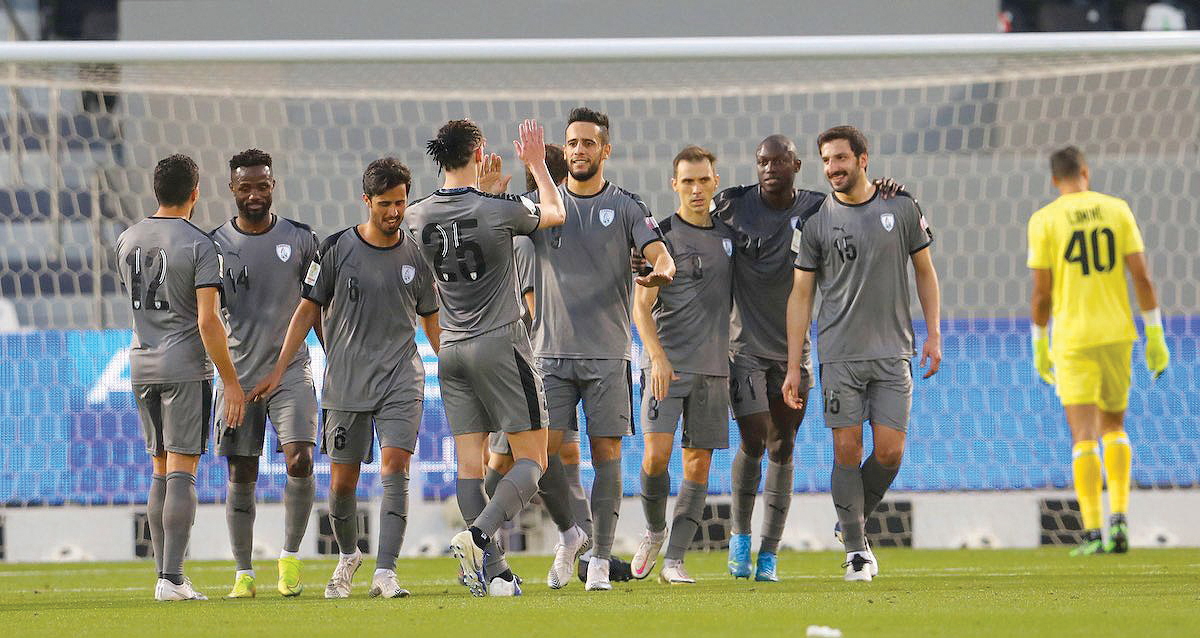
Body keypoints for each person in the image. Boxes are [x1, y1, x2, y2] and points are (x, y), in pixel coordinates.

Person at [251, 158, 441, 600]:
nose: (394, 212)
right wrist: (280, 369)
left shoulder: (415, 255)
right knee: (341, 485)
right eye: (385, 204)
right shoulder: (335, 249)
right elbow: (306, 310)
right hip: (347, 383)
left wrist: (452, 361)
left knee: (396, 468)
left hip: (401, 379)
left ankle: (386, 572)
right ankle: (349, 555)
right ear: (366, 201)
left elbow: (431, 321)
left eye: (400, 202)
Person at [405, 118, 566, 597]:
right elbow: (555, 212)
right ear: (478, 151)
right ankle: (477, 537)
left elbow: (458, 236)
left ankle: (493, 574)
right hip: (500, 343)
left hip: (449, 348)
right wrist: (536, 164)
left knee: (470, 468)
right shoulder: (499, 208)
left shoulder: (417, 215)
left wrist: (486, 194)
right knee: (533, 460)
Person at [783, 126, 942, 582]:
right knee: (846, 450)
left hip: (894, 353)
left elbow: (926, 273)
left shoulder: (902, 206)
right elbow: (800, 296)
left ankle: (850, 520)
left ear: (863, 159)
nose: (833, 168)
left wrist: (933, 334)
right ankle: (856, 550)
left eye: (840, 159)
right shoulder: (813, 221)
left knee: (890, 454)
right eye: (827, 161)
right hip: (839, 356)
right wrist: (795, 365)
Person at [528, 107, 676, 591]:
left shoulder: (628, 206)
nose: (579, 151)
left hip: (608, 355)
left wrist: (660, 272)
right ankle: (572, 535)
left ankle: (599, 560)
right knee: (540, 459)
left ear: (605, 150)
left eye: (589, 143)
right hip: (549, 354)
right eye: (572, 143)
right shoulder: (542, 207)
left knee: (606, 454)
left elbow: (662, 257)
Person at [1027, 146, 1169, 556]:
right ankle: (1121, 520)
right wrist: (1155, 333)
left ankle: (1092, 533)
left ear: (1055, 180)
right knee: (1115, 427)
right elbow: (1141, 276)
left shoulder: (1045, 220)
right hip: (1117, 334)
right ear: (1086, 172)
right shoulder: (1117, 209)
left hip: (1072, 338)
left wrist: (1039, 341)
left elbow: (1041, 293)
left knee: (1083, 436)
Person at [116, 153, 245, 601]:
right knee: (182, 473)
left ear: (156, 191)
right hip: (184, 365)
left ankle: (164, 576)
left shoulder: (127, 239)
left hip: (140, 362)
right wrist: (230, 380)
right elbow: (209, 321)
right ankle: (172, 578)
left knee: (159, 468)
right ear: (196, 192)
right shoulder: (199, 244)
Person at [714, 135, 826, 581]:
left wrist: (890, 190)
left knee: (784, 444)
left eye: (779, 160)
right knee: (754, 439)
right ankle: (740, 536)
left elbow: (860, 201)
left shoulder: (818, 207)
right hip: (743, 349)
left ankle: (770, 552)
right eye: (762, 160)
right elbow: (690, 225)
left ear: (796, 164)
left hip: (794, 352)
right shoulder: (732, 205)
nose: (769, 167)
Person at [209, 149, 320, 598]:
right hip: (238, 376)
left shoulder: (302, 239)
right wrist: (225, 378)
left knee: (301, 458)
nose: (254, 194)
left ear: (273, 185)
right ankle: (243, 573)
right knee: (242, 472)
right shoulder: (212, 245)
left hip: (290, 371)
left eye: (262, 185)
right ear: (232, 189)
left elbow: (319, 310)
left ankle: (290, 557)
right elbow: (206, 316)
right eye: (245, 187)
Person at [629, 145, 736, 584]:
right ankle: (655, 531)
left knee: (698, 465)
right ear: (674, 184)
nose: (695, 188)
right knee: (655, 458)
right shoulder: (661, 238)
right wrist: (656, 358)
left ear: (715, 182)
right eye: (686, 181)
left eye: (703, 180)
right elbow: (641, 306)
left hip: (714, 369)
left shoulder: (731, 238)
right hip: (666, 368)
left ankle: (674, 560)